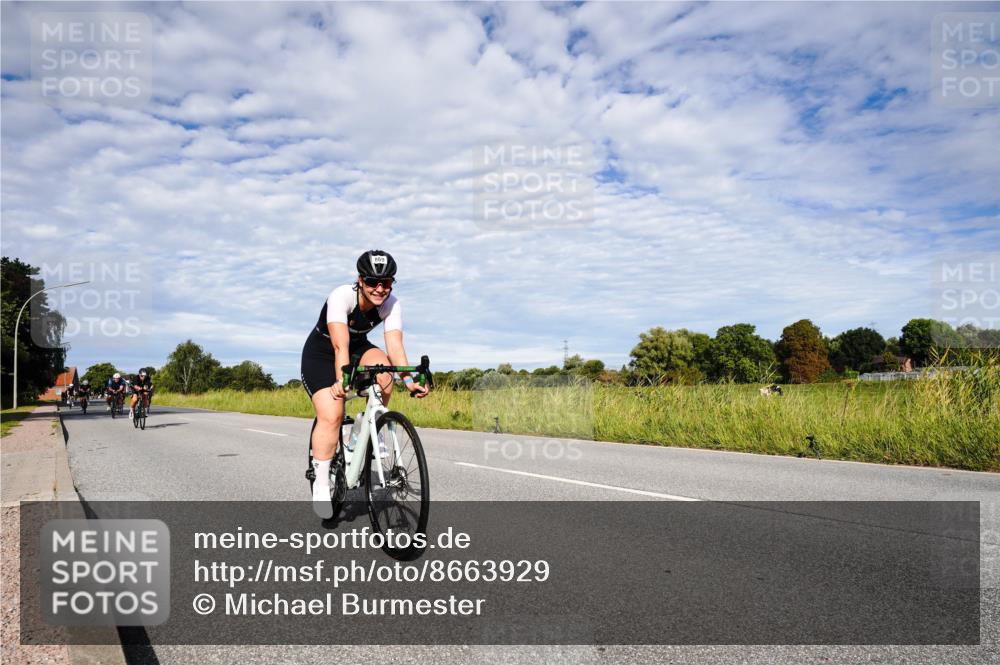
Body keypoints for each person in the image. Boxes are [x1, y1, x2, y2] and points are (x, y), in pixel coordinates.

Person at [300, 250, 429, 518]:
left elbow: (394, 345)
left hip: (359, 349)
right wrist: (342, 381)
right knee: (333, 413)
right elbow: (340, 345)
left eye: (387, 282)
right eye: (372, 282)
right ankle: (322, 481)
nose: (380, 289)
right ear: (360, 280)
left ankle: (364, 431)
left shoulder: (391, 303)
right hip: (323, 355)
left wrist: (409, 380)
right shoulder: (341, 296)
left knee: (385, 375)